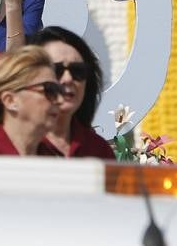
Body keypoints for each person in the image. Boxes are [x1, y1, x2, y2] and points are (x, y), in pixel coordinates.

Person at [29, 27, 114, 160]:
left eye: (77, 71)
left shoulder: (99, 150)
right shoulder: (8, 146)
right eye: (57, 70)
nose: (68, 79)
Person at [0, 47, 63, 156]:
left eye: (58, 91)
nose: (60, 100)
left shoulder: (55, 159)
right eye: (49, 90)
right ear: (10, 101)